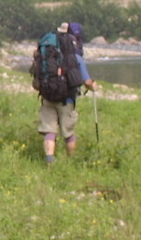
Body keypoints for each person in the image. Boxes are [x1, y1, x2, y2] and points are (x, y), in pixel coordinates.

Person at [38, 22, 97, 163]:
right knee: (68, 132)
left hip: (47, 95)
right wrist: (93, 86)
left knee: (49, 131)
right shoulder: (75, 57)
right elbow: (87, 82)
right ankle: (71, 160)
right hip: (66, 99)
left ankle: (49, 160)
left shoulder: (48, 54)